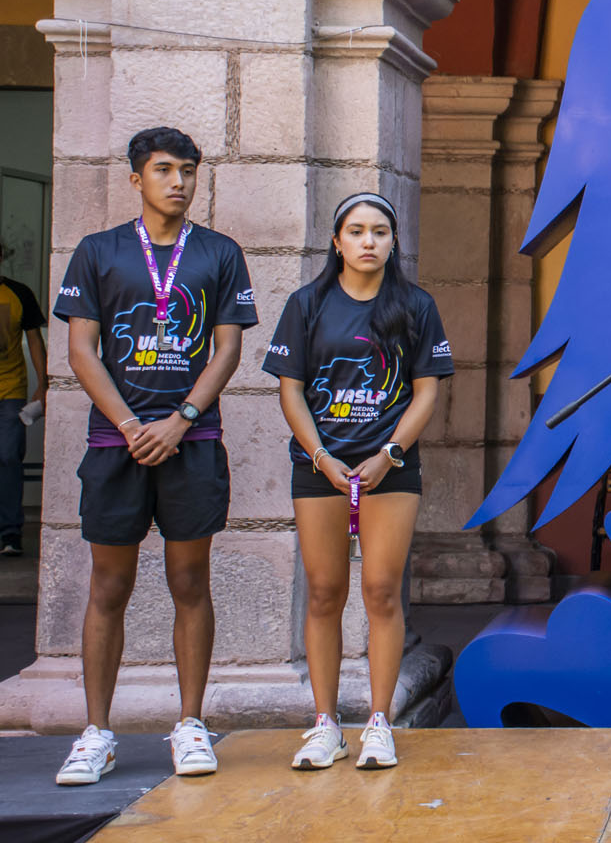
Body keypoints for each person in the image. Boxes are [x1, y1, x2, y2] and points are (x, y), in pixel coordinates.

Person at [52, 127, 257, 785]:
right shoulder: (98, 252)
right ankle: (96, 732)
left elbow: (226, 348)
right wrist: (131, 422)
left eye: (188, 171)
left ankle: (191, 725)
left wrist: (181, 419)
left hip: (190, 442)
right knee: (109, 586)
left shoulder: (220, 254)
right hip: (117, 444)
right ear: (136, 179)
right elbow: (81, 350)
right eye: (164, 170)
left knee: (190, 583)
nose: (179, 182)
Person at [264, 192, 453, 771]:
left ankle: (378, 722)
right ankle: (325, 724)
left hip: (390, 471)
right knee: (323, 591)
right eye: (356, 231)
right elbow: (290, 387)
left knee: (379, 589)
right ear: (337, 241)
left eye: (379, 232)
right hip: (320, 467)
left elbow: (427, 390)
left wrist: (390, 453)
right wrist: (321, 456)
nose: (368, 241)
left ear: (393, 242)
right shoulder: (307, 304)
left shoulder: (416, 306)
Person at [0, 246, 48, 557]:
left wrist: (44, 385)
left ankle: (10, 534)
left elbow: (34, 339)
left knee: (7, 459)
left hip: (9, 391)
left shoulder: (18, 293)